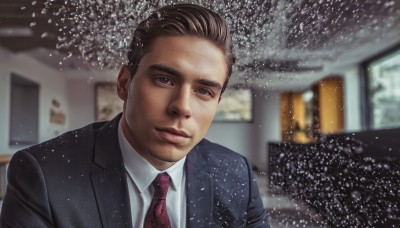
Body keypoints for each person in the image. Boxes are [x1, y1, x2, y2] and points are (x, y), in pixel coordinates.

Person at [1, 4, 269, 227]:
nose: (183, 107)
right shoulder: (44, 175)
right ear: (124, 83)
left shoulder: (236, 175)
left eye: (204, 91)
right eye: (164, 79)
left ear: (218, 102)